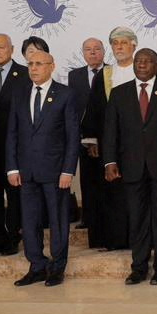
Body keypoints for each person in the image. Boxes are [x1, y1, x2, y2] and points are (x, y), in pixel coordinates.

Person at [102, 48, 157, 286]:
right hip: (131, 168)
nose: (142, 64)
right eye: (139, 61)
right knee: (138, 219)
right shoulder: (119, 94)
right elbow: (111, 131)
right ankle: (139, 267)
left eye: (147, 61)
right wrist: (110, 161)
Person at [6, 49, 80, 287]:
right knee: (29, 221)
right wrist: (12, 168)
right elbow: (12, 133)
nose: (34, 68)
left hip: (55, 171)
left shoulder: (66, 94)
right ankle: (36, 265)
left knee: (58, 221)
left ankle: (57, 266)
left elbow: (72, 136)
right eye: (30, 64)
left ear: (51, 66)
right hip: (26, 172)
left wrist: (68, 170)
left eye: (39, 64)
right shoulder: (19, 94)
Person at [80, 27, 137, 251]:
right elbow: (93, 109)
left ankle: (137, 238)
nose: (119, 47)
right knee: (110, 192)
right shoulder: (105, 74)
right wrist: (92, 140)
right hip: (110, 143)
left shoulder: (143, 69)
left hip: (137, 144)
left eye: (124, 42)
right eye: (115, 43)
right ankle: (113, 239)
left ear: (134, 45)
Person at [0, 33, 28, 256]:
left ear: (11, 49)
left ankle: (13, 237)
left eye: (2, 47)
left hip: (14, 147)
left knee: (14, 195)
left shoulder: (25, 74)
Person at [67, 37, 106, 232]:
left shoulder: (111, 73)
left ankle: (107, 215)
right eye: (88, 49)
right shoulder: (74, 76)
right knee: (87, 179)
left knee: (106, 178)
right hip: (83, 136)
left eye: (97, 49)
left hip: (107, 135)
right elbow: (73, 108)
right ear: (83, 53)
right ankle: (88, 217)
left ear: (104, 52)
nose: (92, 53)